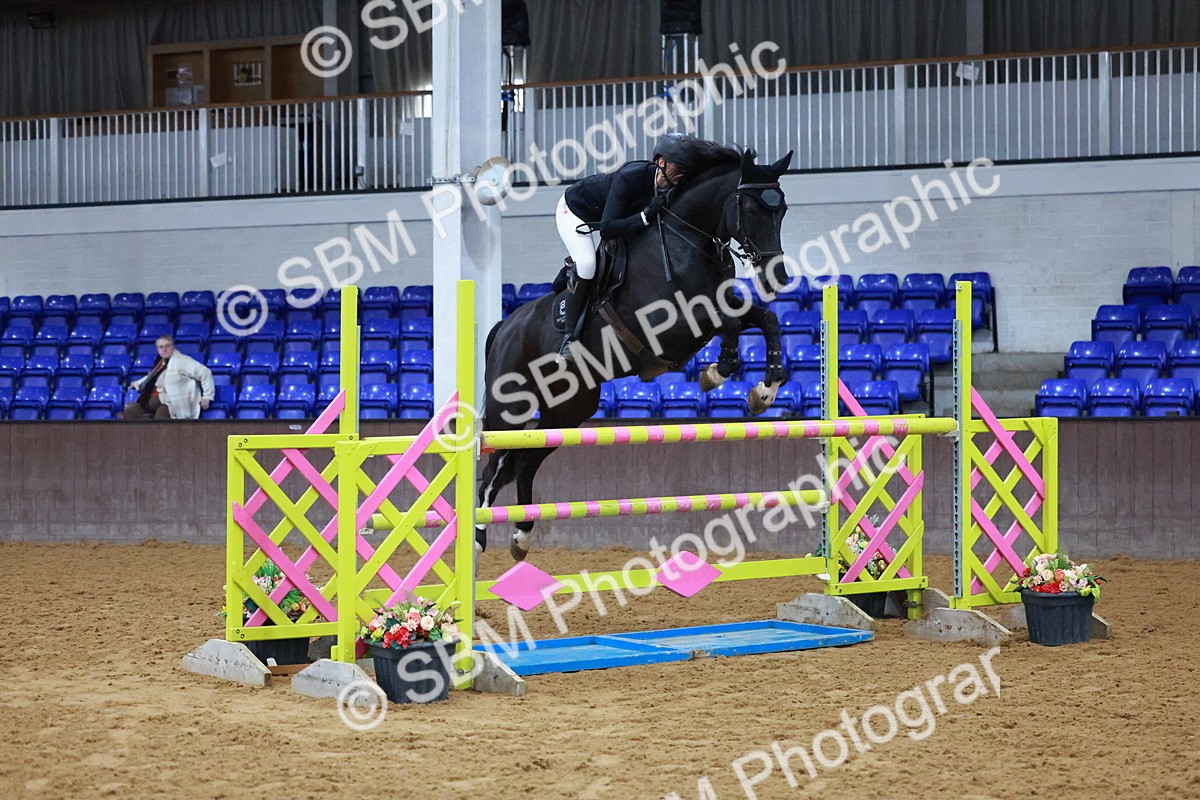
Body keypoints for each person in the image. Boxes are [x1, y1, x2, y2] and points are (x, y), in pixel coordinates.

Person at [554, 132, 699, 361]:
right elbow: (608, 229)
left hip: (614, 218)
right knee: (588, 264)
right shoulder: (630, 177)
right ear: (661, 162)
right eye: (679, 166)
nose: (683, 173)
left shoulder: (673, 186)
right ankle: (570, 339)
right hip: (575, 212)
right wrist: (645, 216)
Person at [122, 335, 214, 420]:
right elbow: (152, 377)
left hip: (172, 403)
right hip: (156, 399)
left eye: (167, 346)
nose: (164, 349)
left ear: (173, 346)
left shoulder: (182, 361)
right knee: (130, 412)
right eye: (161, 347)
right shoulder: (160, 363)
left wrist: (207, 396)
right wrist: (137, 383)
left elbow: (205, 373)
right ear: (157, 349)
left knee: (161, 415)